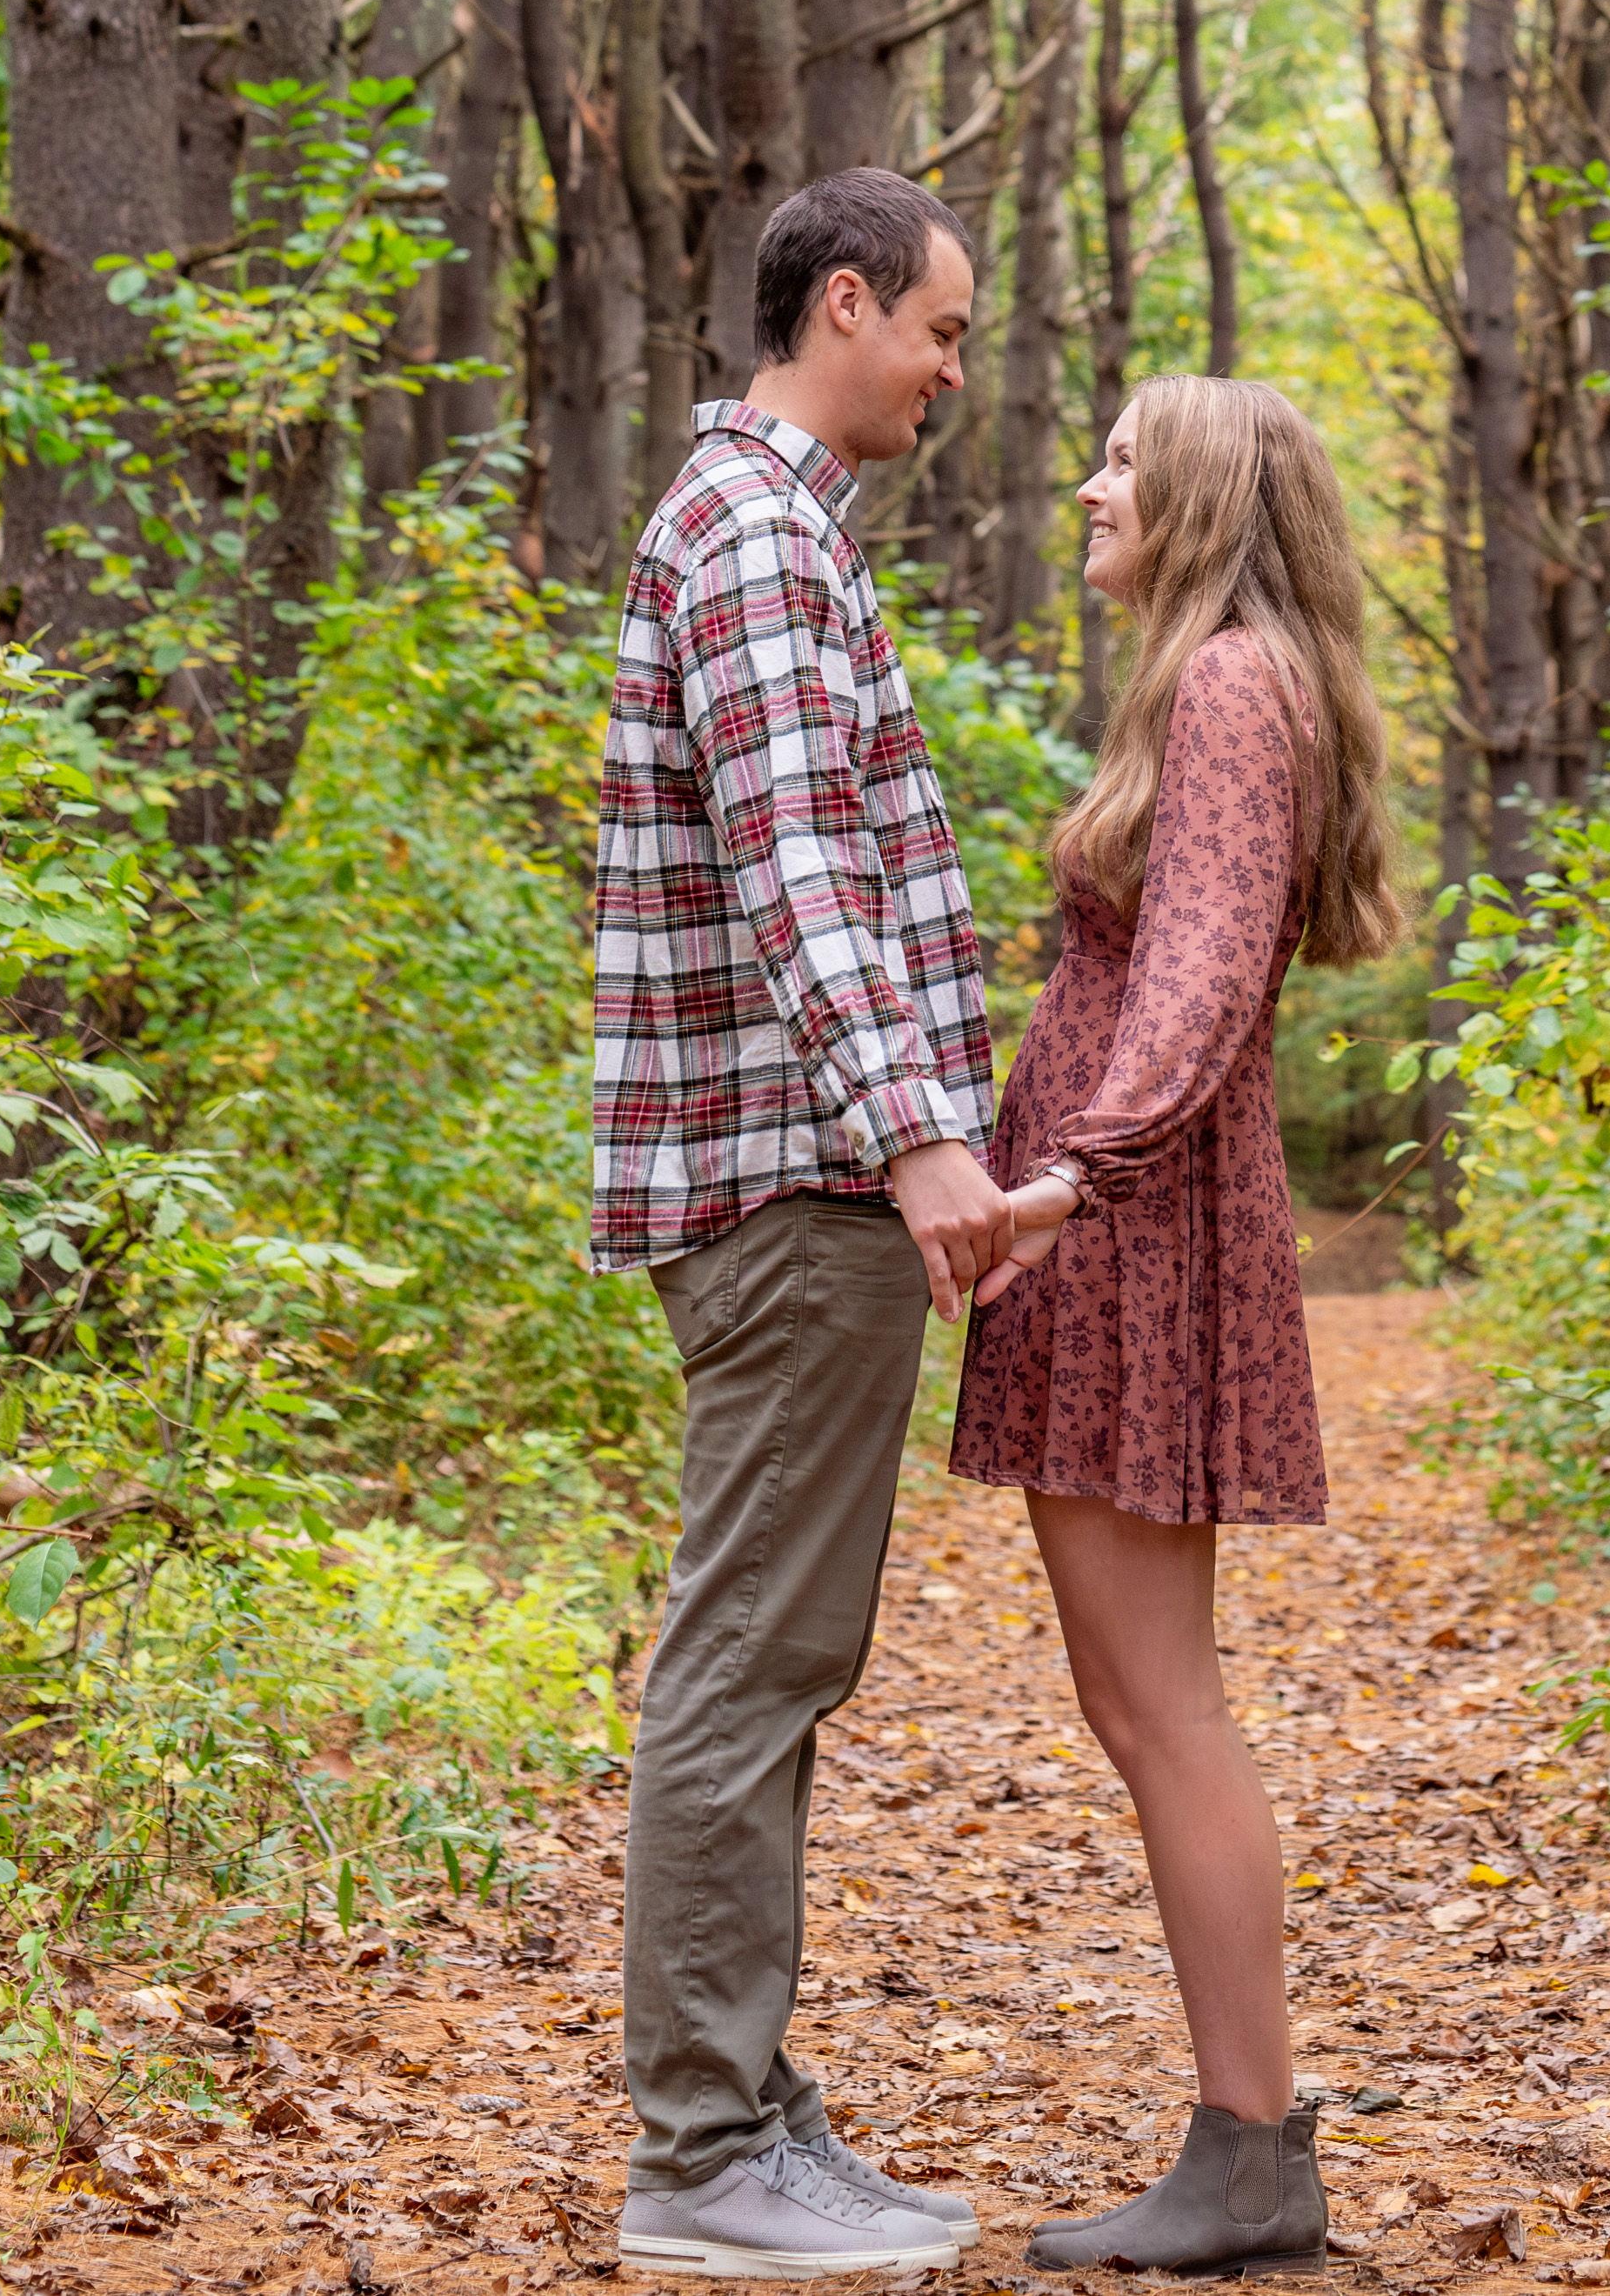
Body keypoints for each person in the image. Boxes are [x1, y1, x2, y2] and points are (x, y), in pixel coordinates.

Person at [591, 167, 1019, 2282]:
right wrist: (918, 1135)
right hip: (787, 1180)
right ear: (842, 304)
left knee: (780, 1651)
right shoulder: (757, 532)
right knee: (750, 1658)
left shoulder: (777, 529)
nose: (951, 372)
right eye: (939, 330)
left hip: (801, 1171)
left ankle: (748, 2110)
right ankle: (699, 2152)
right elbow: (796, 865)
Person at [947, 377, 1410, 2276]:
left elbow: (1204, 975)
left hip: (1129, 1228)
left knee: (1160, 1703)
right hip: (1134, 1215)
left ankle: (1250, 2150)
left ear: (1207, 493)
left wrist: (1076, 1176)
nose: (1090, 484)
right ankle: (1245, 2146)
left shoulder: (1226, 684)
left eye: (1125, 459)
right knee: (1145, 1697)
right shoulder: (1234, 680)